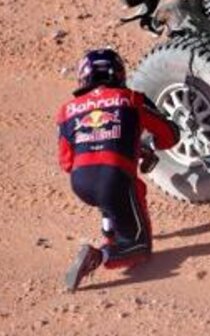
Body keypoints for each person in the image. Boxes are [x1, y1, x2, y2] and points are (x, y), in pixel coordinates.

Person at [56, 48, 180, 292]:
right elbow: (170, 134)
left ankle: (110, 232)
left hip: (81, 182)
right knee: (140, 248)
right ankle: (101, 255)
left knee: (116, 191)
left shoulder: (66, 110)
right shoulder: (131, 98)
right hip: (114, 178)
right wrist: (144, 146)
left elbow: (66, 162)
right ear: (119, 74)